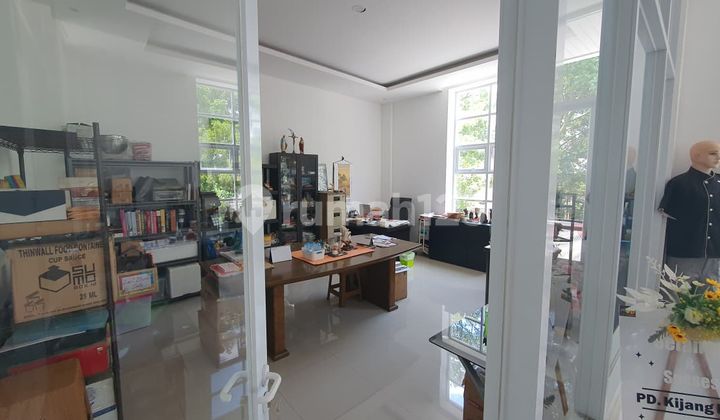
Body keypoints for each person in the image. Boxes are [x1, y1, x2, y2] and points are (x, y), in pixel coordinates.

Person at [659, 140, 720, 280]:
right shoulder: (679, 184)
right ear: (697, 156)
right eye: (713, 153)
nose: (718, 157)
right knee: (676, 291)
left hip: (716, 255)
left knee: (712, 293)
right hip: (684, 253)